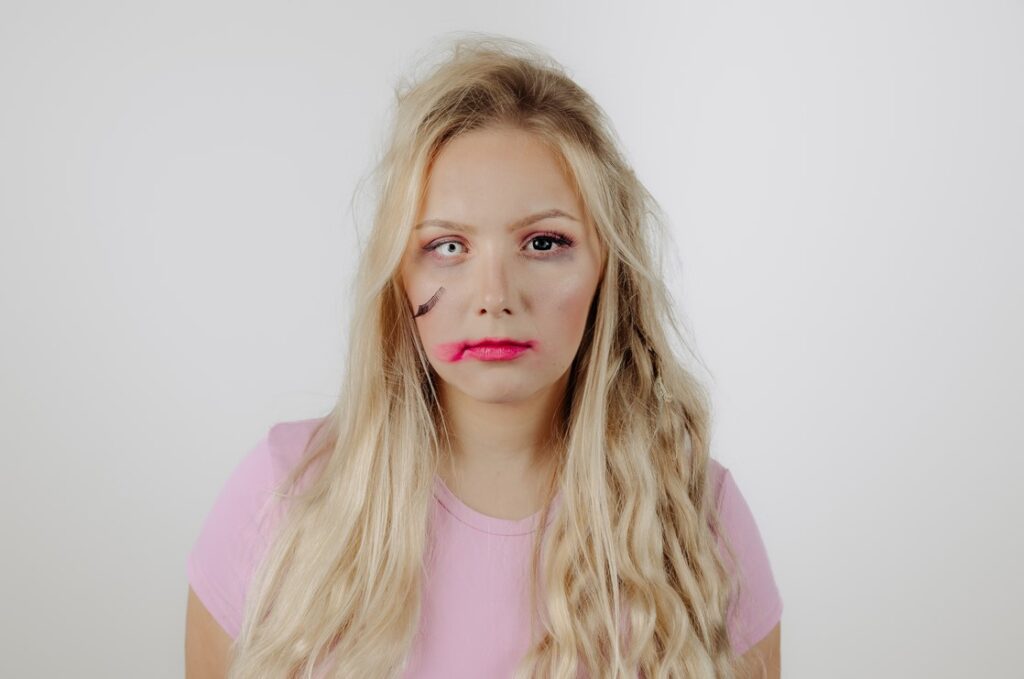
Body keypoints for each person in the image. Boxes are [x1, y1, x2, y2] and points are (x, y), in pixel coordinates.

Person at [185, 33, 782, 679]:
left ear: (607, 266)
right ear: (398, 272)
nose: (495, 297)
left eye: (544, 242)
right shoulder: (282, 491)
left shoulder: (696, 520)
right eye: (448, 247)